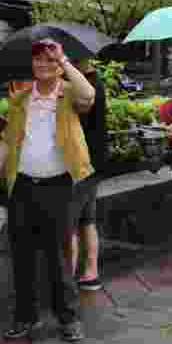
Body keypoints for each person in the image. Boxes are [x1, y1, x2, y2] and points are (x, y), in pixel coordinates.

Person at [0, 39, 94, 344]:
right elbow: (6, 141)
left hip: (58, 187)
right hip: (22, 186)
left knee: (59, 256)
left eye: (49, 61)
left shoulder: (68, 93)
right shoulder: (20, 99)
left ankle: (68, 318)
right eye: (38, 60)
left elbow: (89, 95)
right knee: (21, 255)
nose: (43, 65)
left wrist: (65, 61)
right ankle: (25, 317)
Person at [66, 63, 106, 291]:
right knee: (87, 220)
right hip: (93, 163)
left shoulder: (86, 87)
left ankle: (68, 279)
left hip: (82, 163)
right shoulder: (95, 81)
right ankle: (91, 272)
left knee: (70, 222)